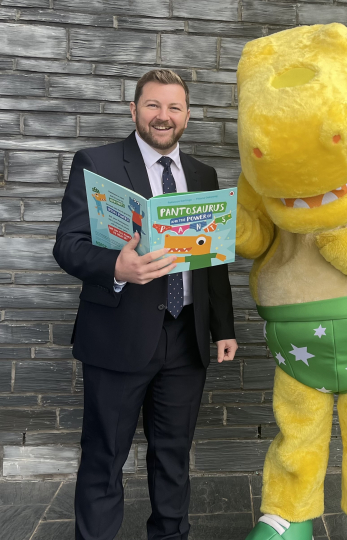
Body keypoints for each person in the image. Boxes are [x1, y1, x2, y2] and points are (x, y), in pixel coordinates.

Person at [53, 69, 238, 540]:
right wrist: (118, 268)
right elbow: (68, 246)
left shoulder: (203, 174)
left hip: (185, 339)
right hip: (117, 339)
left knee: (173, 456)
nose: (163, 116)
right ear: (134, 110)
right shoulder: (96, 163)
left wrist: (223, 328)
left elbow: (212, 261)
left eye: (174, 108)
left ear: (187, 116)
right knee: (104, 456)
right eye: (153, 105)